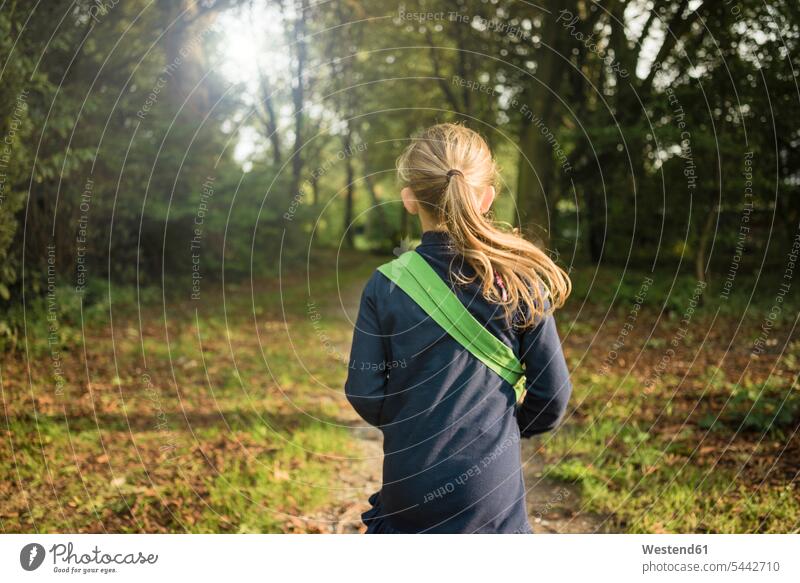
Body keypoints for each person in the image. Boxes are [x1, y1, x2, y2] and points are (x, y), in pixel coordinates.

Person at [345, 123, 572, 534]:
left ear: (410, 199)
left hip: (409, 484)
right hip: (492, 491)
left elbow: (363, 391)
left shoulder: (386, 284)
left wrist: (415, 425)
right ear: (486, 197)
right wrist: (498, 429)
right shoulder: (520, 281)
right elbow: (552, 396)